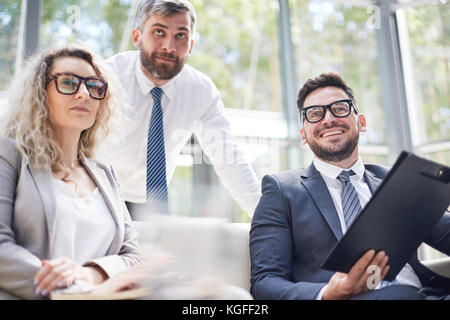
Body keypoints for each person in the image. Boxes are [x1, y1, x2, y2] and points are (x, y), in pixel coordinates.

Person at [250, 72, 450, 300]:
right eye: (315, 113)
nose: (328, 119)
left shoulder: (396, 181)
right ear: (303, 135)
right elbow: (264, 282)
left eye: (340, 108)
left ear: (361, 122)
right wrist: (328, 293)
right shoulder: (281, 190)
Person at [0, 45, 141, 300]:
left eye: (95, 86)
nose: (84, 94)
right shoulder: (9, 155)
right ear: (40, 93)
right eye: (68, 82)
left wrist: (89, 274)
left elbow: (133, 256)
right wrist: (75, 290)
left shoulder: (106, 175)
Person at [99, 0, 260, 218]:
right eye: (159, 32)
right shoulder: (107, 78)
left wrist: (266, 219)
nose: (169, 46)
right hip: (97, 195)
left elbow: (229, 158)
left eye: (180, 36)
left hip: (151, 205)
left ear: (191, 46)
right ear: (137, 37)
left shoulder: (201, 91)